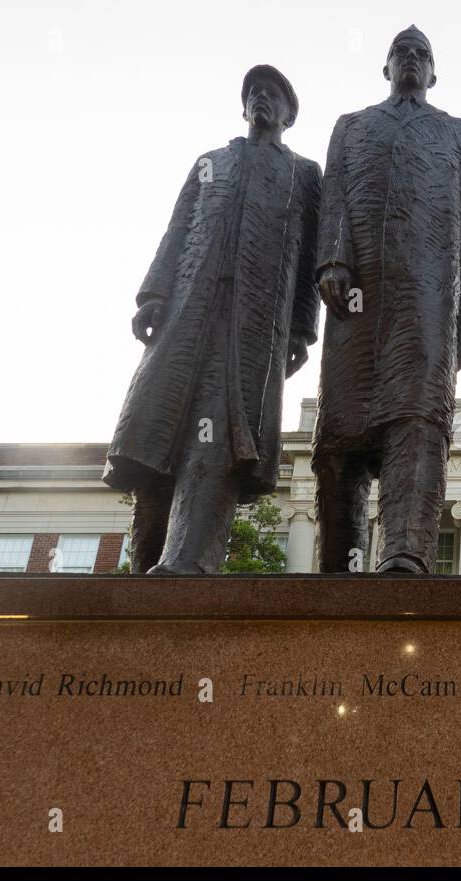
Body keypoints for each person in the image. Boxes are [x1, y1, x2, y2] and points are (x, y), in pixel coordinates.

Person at [103, 65, 321, 574]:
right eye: (255, 93)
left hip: (253, 322)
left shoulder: (304, 174)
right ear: (243, 106)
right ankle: (145, 564)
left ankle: (189, 559)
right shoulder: (210, 163)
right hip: (187, 312)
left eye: (274, 95)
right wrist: (153, 293)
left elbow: (312, 253)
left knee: (220, 432)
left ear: (290, 114)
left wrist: (301, 328)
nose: (263, 100)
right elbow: (177, 227)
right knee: (160, 430)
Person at [312, 25, 461, 573]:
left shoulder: (455, 132)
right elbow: (334, 193)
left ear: (434, 72)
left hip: (428, 294)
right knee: (339, 431)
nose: (411, 59)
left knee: (418, 418)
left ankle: (407, 552)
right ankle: (340, 559)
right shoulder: (352, 125)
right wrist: (333, 259)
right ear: (386, 67)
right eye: (401, 53)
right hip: (356, 294)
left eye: (422, 54)